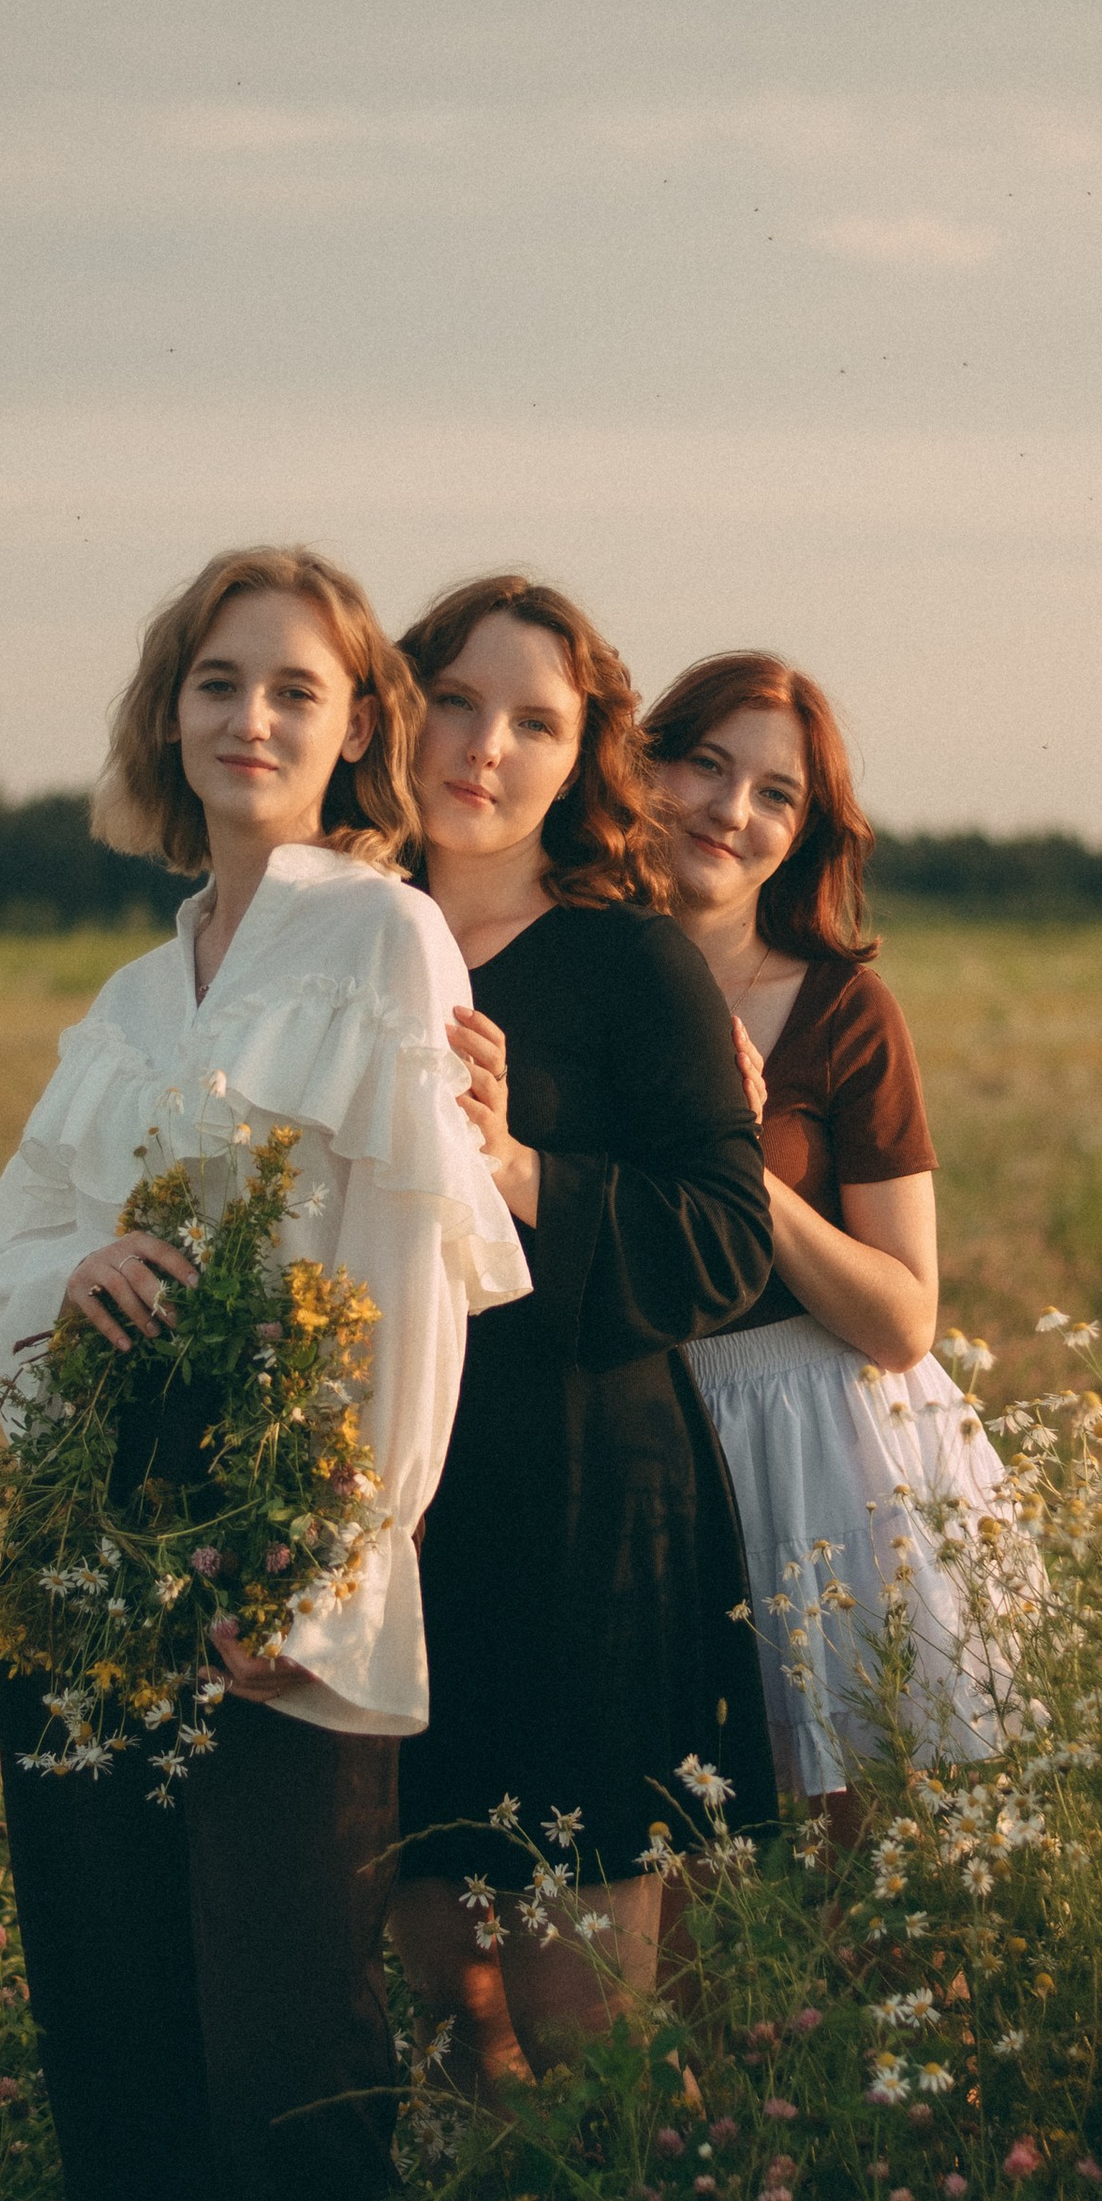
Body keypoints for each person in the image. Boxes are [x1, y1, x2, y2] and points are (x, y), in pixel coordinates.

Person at [0, 546, 528, 2201]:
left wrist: (304, 1564)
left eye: (298, 689)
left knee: (279, 2080)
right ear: (166, 714)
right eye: (217, 681)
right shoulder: (123, 998)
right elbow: (3, 1254)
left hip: (281, 1609)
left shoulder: (383, 944)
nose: (251, 720)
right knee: (114, 2058)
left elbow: (411, 1297)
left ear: (356, 725)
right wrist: (71, 1271)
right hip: (90, 1589)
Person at [388, 576, 773, 2097]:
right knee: (436, 1995)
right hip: (397, 1527)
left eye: (535, 720)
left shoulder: (630, 962)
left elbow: (727, 1243)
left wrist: (520, 1169)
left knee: (580, 2011)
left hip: (586, 1522)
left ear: (583, 756)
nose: (485, 746)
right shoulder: (338, 941)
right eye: (456, 702)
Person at [641, 651, 1017, 1809]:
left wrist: (741, 1163)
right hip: (641, 1448)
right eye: (704, 764)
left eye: (774, 794)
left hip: (821, 1448)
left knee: (863, 1880)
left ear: (803, 834)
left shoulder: (844, 1011)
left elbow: (903, 1320)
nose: (729, 810)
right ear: (637, 767)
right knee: (680, 1864)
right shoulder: (562, 973)